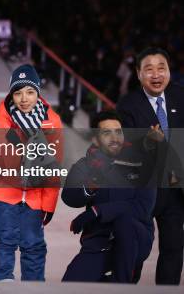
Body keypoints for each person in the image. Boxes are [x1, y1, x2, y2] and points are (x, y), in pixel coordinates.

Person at [0, 64, 63, 281]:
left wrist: (49, 203)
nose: (24, 99)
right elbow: (8, 163)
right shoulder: (0, 121)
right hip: (4, 192)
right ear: (11, 95)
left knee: (34, 245)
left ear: (38, 93)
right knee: (4, 240)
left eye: (30, 92)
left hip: (35, 196)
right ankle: (4, 287)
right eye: (17, 93)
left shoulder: (52, 121)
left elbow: (53, 169)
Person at [62, 110, 156, 283]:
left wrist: (97, 211)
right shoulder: (86, 165)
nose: (115, 138)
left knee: (125, 222)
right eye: (106, 133)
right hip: (99, 240)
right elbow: (69, 197)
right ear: (95, 140)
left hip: (135, 238)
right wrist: (90, 185)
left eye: (118, 132)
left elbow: (143, 207)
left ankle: (122, 284)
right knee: (71, 283)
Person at [116, 47, 184, 285]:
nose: (156, 75)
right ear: (138, 74)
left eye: (161, 68)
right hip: (142, 189)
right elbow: (121, 149)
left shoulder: (180, 97)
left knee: (174, 249)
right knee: (137, 249)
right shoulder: (128, 105)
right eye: (149, 69)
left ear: (169, 71)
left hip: (175, 190)